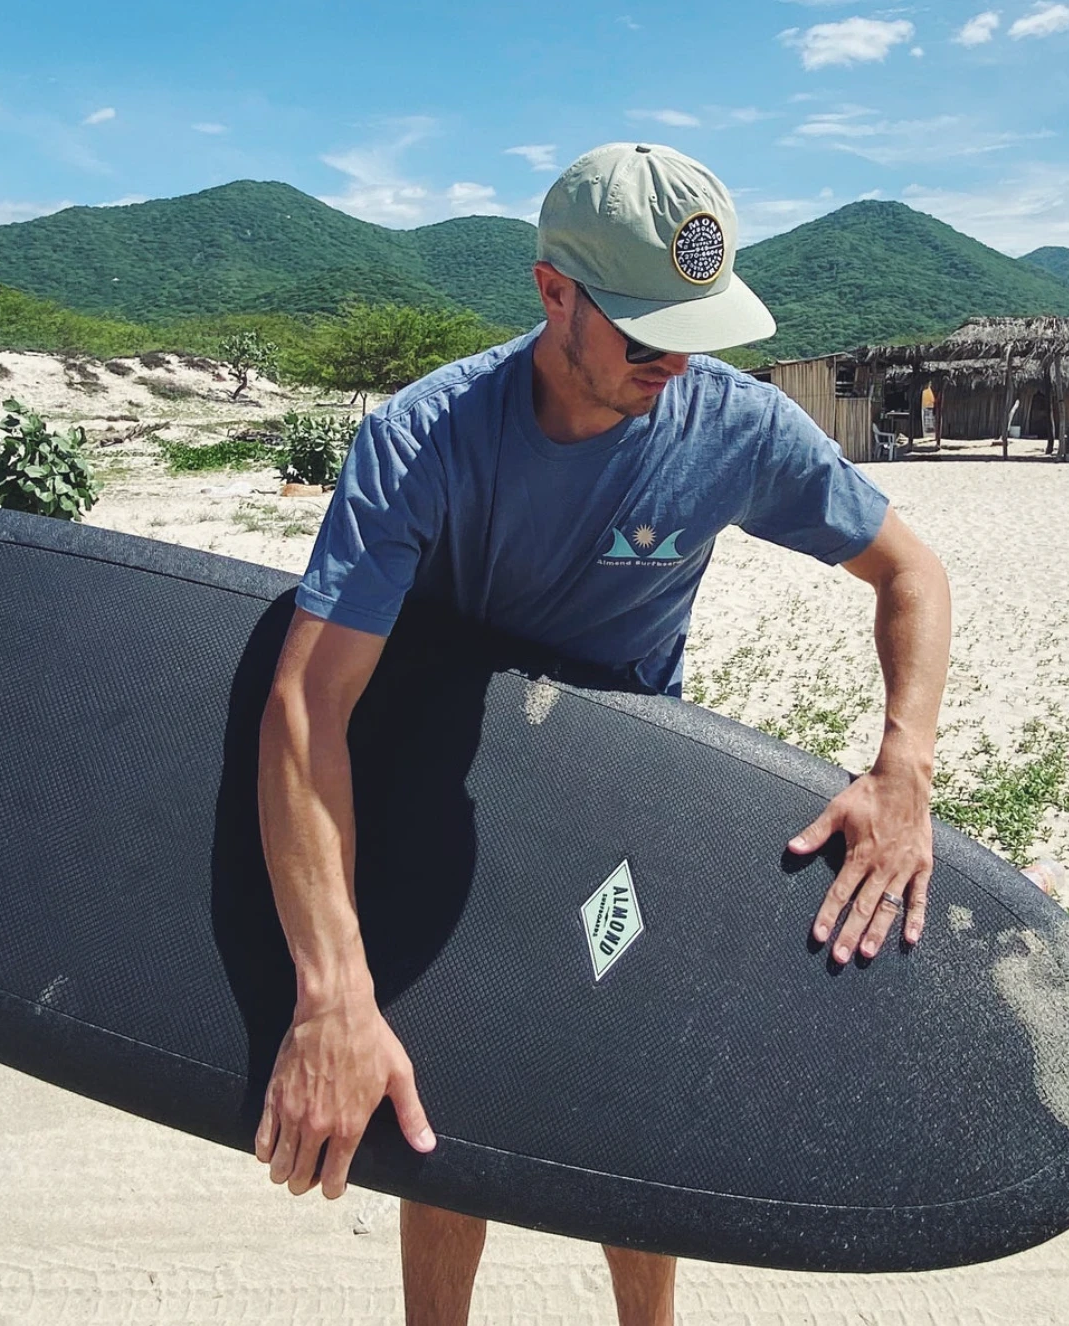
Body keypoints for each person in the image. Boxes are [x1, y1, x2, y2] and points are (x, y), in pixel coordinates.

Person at [254, 142, 951, 1326]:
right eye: (641, 334)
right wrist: (330, 993)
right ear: (551, 294)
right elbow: (306, 706)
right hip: (444, 781)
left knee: (619, 1094)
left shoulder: (731, 427)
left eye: (695, 330)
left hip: (618, 795)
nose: (672, 362)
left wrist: (902, 766)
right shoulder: (423, 441)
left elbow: (911, 576)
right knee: (450, 1102)